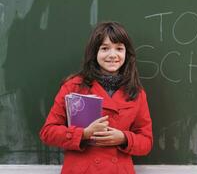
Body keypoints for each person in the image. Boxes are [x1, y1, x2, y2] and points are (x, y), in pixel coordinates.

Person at [40, 21, 153, 174]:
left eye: (119, 48)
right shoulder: (73, 86)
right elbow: (48, 133)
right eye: (105, 48)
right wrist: (83, 134)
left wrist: (124, 138)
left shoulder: (136, 93)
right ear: (95, 53)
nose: (112, 55)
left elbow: (146, 142)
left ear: (127, 54)